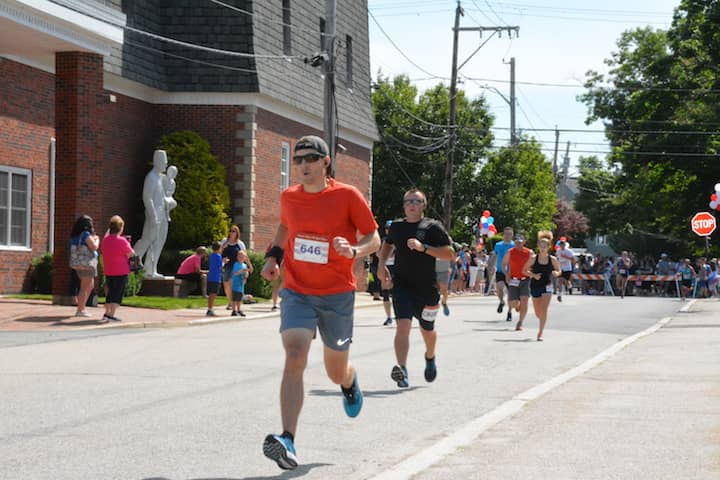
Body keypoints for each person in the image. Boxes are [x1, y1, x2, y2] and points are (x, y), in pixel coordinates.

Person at [260, 135, 380, 471]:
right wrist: (273, 257)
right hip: (297, 290)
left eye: (310, 158)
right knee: (295, 354)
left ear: (325, 162)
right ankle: (287, 438)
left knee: (334, 370)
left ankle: (348, 380)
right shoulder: (289, 197)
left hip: (337, 295)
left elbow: (374, 237)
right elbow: (285, 227)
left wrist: (355, 250)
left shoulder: (346, 195)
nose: (303, 165)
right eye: (297, 160)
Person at [378, 188, 454, 389]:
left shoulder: (432, 227)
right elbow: (387, 244)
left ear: (423, 205)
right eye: (408, 201)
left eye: (417, 201)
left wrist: (424, 248)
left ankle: (430, 357)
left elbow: (450, 253)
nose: (412, 204)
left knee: (427, 330)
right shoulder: (396, 227)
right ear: (404, 206)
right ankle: (402, 370)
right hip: (402, 285)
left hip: (427, 289)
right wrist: (381, 265)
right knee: (403, 326)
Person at [133, 150, 170, 278]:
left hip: (162, 215)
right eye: (164, 162)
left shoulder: (160, 178)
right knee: (147, 240)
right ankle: (131, 265)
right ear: (158, 161)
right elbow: (147, 197)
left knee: (158, 242)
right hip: (154, 216)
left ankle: (151, 269)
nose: (166, 165)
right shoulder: (151, 177)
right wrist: (153, 215)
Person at [523, 231, 561, 341]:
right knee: (538, 313)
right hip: (535, 286)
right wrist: (534, 275)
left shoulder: (552, 259)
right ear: (538, 246)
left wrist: (556, 273)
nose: (543, 248)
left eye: (545, 246)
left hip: (547, 286)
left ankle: (540, 333)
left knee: (544, 310)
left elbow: (559, 270)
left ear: (549, 247)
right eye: (541, 246)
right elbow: (524, 271)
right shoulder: (533, 258)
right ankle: (542, 320)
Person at [100, 215, 135, 323]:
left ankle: (106, 313)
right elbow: (131, 254)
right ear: (120, 228)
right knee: (117, 293)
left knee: (110, 292)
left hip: (109, 270)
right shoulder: (122, 241)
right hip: (121, 270)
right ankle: (111, 314)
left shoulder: (105, 240)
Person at [68, 215, 100, 318]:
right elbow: (94, 246)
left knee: (90, 286)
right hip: (88, 264)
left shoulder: (74, 236)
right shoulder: (85, 234)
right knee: (84, 287)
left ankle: (82, 307)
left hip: (79, 264)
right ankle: (80, 309)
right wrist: (97, 239)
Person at [502, 233, 533, 332]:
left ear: (524, 242)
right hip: (513, 279)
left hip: (526, 279)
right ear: (514, 242)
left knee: (525, 300)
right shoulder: (510, 252)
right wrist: (506, 274)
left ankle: (520, 322)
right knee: (513, 304)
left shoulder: (529, 252)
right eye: (516, 242)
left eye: (520, 242)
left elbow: (534, 265)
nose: (518, 244)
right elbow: (504, 264)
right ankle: (518, 305)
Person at [221, 225, 248, 309]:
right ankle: (230, 301)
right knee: (226, 285)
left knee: (233, 285)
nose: (231, 233)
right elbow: (219, 252)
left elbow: (245, 256)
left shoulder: (240, 244)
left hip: (236, 266)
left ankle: (232, 304)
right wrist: (223, 248)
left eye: (233, 231)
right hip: (227, 265)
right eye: (230, 231)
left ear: (237, 233)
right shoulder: (224, 241)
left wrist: (247, 268)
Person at [493, 227, 515, 321]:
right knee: (499, 287)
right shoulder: (498, 245)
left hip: (511, 272)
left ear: (512, 235)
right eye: (506, 234)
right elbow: (495, 255)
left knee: (511, 293)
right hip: (500, 270)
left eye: (509, 234)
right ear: (503, 235)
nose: (507, 236)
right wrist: (490, 265)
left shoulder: (514, 245)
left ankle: (509, 312)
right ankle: (501, 301)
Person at [206, 241, 223, 316]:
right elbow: (220, 267)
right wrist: (224, 262)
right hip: (216, 278)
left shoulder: (211, 255)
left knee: (211, 294)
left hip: (211, 277)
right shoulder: (218, 256)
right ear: (219, 248)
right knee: (213, 294)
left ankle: (210, 308)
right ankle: (210, 309)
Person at [231, 250, 249, 317]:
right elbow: (235, 273)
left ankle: (239, 310)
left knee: (239, 298)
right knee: (234, 298)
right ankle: (234, 310)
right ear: (237, 257)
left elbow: (246, 273)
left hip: (241, 285)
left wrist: (246, 275)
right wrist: (241, 271)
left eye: (242, 256)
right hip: (235, 284)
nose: (241, 257)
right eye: (239, 256)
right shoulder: (236, 264)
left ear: (245, 258)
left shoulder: (244, 265)